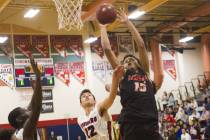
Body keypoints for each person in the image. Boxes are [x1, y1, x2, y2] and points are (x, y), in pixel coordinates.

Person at [99, 8, 163, 140]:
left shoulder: (144, 72)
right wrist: (102, 27)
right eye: (126, 61)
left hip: (150, 122)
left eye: (131, 59)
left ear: (138, 63)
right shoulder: (123, 75)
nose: (128, 61)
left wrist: (127, 22)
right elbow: (106, 49)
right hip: (131, 123)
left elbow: (141, 45)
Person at [78, 66, 124, 140]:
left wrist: (115, 79)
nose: (86, 96)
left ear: (94, 101)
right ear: (81, 104)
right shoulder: (80, 119)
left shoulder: (99, 108)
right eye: (83, 96)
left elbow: (111, 98)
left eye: (89, 95)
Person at [8, 58, 42, 140]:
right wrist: (38, 77)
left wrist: (35, 90)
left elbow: (33, 104)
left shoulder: (24, 124)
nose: (28, 110)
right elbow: (37, 107)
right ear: (19, 119)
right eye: (24, 110)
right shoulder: (26, 130)